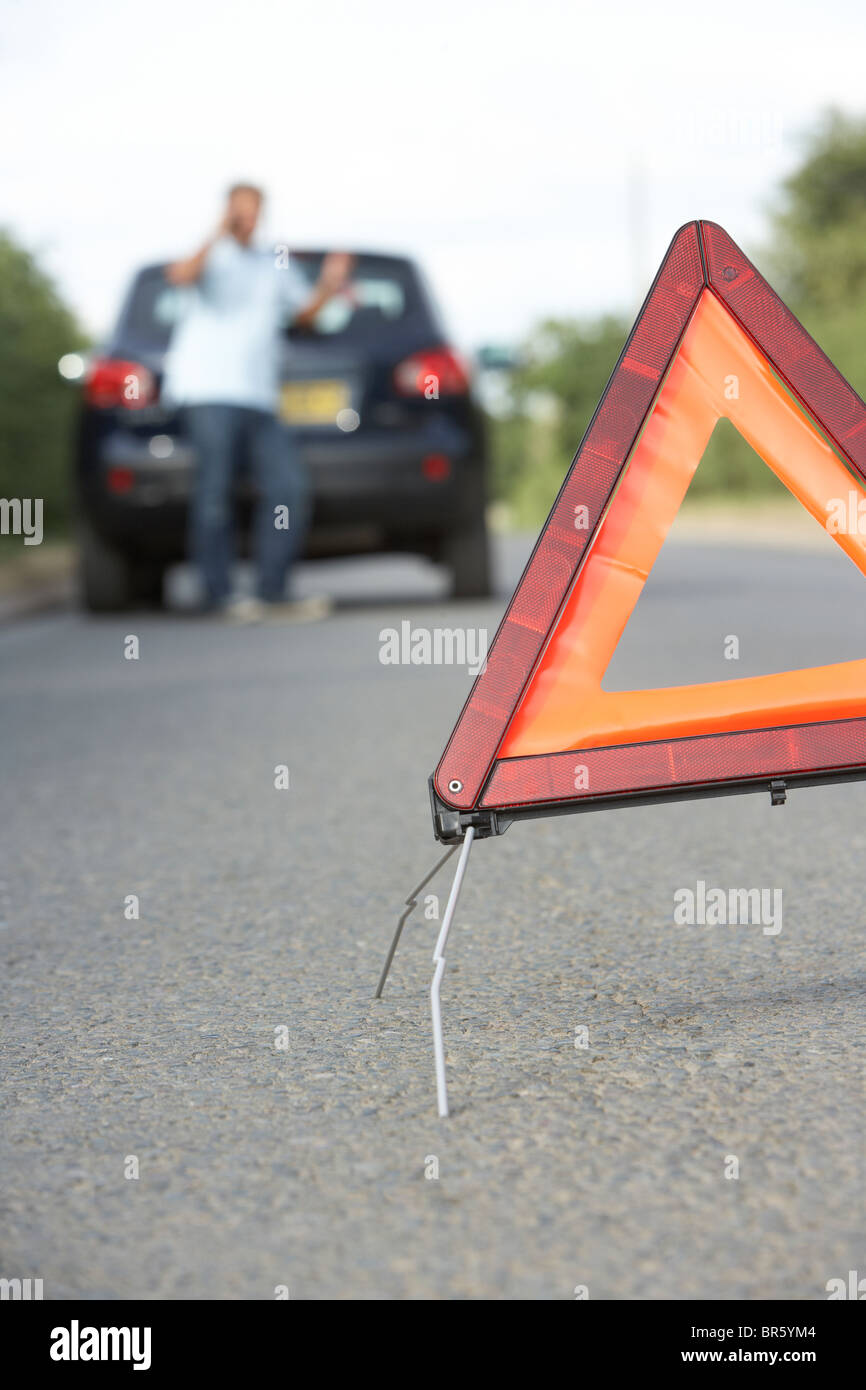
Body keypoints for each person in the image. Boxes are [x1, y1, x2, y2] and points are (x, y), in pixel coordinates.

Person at [163, 183, 351, 619]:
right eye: (239, 212)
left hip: (259, 398)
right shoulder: (212, 255)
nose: (247, 219)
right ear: (227, 211)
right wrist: (217, 232)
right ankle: (219, 594)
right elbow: (180, 276)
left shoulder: (273, 263)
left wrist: (328, 285)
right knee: (215, 491)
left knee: (288, 487)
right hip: (207, 391)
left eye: (253, 212)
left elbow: (303, 314)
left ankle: (273, 589)